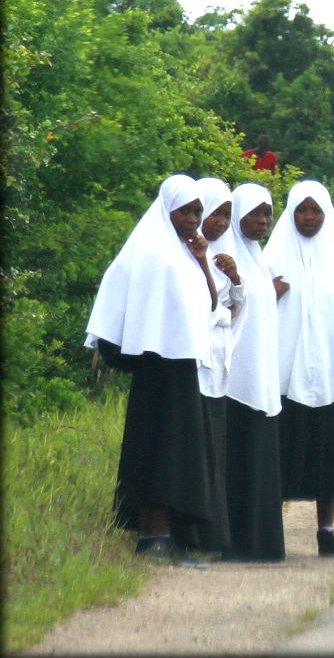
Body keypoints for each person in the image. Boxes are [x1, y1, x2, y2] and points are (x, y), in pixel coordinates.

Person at [84, 174, 221, 567]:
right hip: (155, 369)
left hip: (181, 368)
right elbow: (125, 300)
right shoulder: (150, 251)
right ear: (167, 210)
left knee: (180, 455)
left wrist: (201, 260)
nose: (193, 218)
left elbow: (209, 307)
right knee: (156, 451)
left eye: (198, 211)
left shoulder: (185, 253)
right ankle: (151, 536)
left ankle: (172, 536)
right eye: (186, 211)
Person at [265, 180, 334, 558]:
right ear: (291, 212)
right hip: (283, 379)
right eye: (302, 210)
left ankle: (326, 533)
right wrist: (268, 294)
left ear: (326, 215)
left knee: (329, 455)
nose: (309, 218)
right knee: (279, 455)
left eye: (315, 211)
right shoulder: (272, 258)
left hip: (331, 378)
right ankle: (270, 534)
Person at [219, 182, 288, 562]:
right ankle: (233, 543)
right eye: (255, 214)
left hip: (260, 379)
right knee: (236, 460)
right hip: (234, 380)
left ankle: (259, 544)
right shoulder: (226, 256)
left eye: (267, 215)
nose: (262, 221)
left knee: (257, 460)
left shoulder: (257, 258)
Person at [184, 177, 241, 558]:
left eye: (225, 216)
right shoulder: (187, 252)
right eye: (213, 214)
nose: (219, 223)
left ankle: (212, 535)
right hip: (194, 363)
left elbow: (237, 310)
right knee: (195, 451)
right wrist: (205, 263)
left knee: (215, 452)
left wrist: (235, 277)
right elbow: (203, 308)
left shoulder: (226, 253)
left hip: (219, 367)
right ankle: (187, 534)